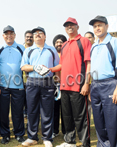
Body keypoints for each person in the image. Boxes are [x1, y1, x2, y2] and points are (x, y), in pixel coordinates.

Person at [50, 17, 91, 147]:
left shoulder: (83, 41)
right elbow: (61, 65)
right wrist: (49, 69)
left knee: (81, 117)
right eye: (67, 25)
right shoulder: (65, 45)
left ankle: (85, 143)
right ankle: (70, 141)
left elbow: (89, 63)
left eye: (72, 25)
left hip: (78, 86)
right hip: (64, 86)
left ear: (77, 26)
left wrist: (86, 83)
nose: (69, 27)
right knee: (67, 116)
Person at [21, 26, 60, 147]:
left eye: (40, 33)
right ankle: (32, 137)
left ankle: (47, 137)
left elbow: (58, 66)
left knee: (47, 110)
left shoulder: (51, 50)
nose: (37, 35)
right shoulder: (28, 50)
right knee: (32, 110)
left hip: (48, 82)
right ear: (32, 37)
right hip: (32, 81)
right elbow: (23, 67)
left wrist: (57, 83)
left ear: (45, 36)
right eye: (35, 33)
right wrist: (34, 67)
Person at [89, 15, 117, 147]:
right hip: (95, 85)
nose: (97, 28)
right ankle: (102, 144)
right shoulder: (94, 46)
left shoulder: (114, 42)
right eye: (95, 26)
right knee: (98, 120)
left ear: (107, 26)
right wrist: (90, 86)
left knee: (111, 120)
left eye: (100, 25)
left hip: (110, 84)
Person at [0, 25, 25, 144]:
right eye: (6, 34)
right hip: (3, 86)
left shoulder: (21, 48)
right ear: (3, 36)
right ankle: (5, 134)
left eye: (11, 33)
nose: (9, 36)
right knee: (3, 111)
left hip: (18, 86)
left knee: (18, 111)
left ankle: (19, 134)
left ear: (15, 35)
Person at [52, 34, 67, 138]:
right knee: (54, 109)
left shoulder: (67, 53)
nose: (59, 44)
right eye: (57, 42)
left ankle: (66, 131)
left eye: (61, 42)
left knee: (66, 110)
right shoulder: (52, 54)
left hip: (67, 85)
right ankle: (54, 130)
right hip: (54, 86)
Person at [84, 31, 95, 121]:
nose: (87, 39)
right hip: (85, 83)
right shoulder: (83, 51)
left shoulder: (96, 49)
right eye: (86, 38)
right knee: (87, 106)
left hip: (95, 82)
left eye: (90, 37)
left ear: (94, 39)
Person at [23, 30, 33, 118]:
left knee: (30, 102)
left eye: (31, 37)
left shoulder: (36, 49)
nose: (29, 38)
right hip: (19, 80)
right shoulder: (21, 48)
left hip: (32, 80)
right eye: (27, 37)